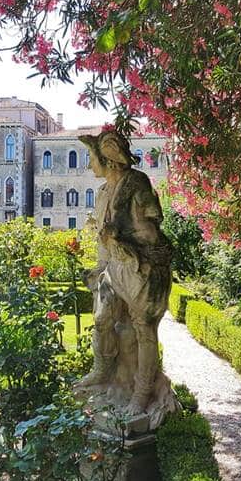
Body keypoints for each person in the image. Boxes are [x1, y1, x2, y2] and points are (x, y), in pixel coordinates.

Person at [77, 130, 172, 414]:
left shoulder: (136, 183)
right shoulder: (104, 192)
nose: (89, 165)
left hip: (141, 265)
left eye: (92, 158)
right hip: (113, 267)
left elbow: (151, 231)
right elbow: (102, 239)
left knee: (143, 328)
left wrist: (121, 238)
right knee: (102, 318)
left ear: (108, 159)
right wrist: (100, 266)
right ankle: (102, 371)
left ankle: (142, 393)